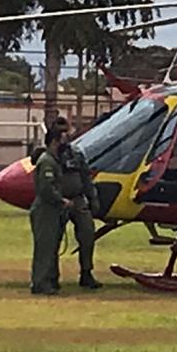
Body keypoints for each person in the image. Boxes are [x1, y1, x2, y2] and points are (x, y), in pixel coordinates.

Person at [51, 115, 102, 289]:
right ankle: (51, 276)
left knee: (87, 233)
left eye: (66, 131)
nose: (64, 135)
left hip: (78, 199)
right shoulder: (48, 153)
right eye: (60, 131)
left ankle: (86, 273)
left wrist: (93, 198)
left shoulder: (76, 153)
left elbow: (85, 177)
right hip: (57, 201)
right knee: (52, 239)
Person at [29, 123, 70, 295]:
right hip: (46, 209)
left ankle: (51, 279)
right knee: (45, 247)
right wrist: (61, 200)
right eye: (62, 140)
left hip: (53, 210)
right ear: (54, 141)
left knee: (52, 246)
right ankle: (40, 282)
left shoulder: (53, 160)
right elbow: (46, 188)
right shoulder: (46, 162)